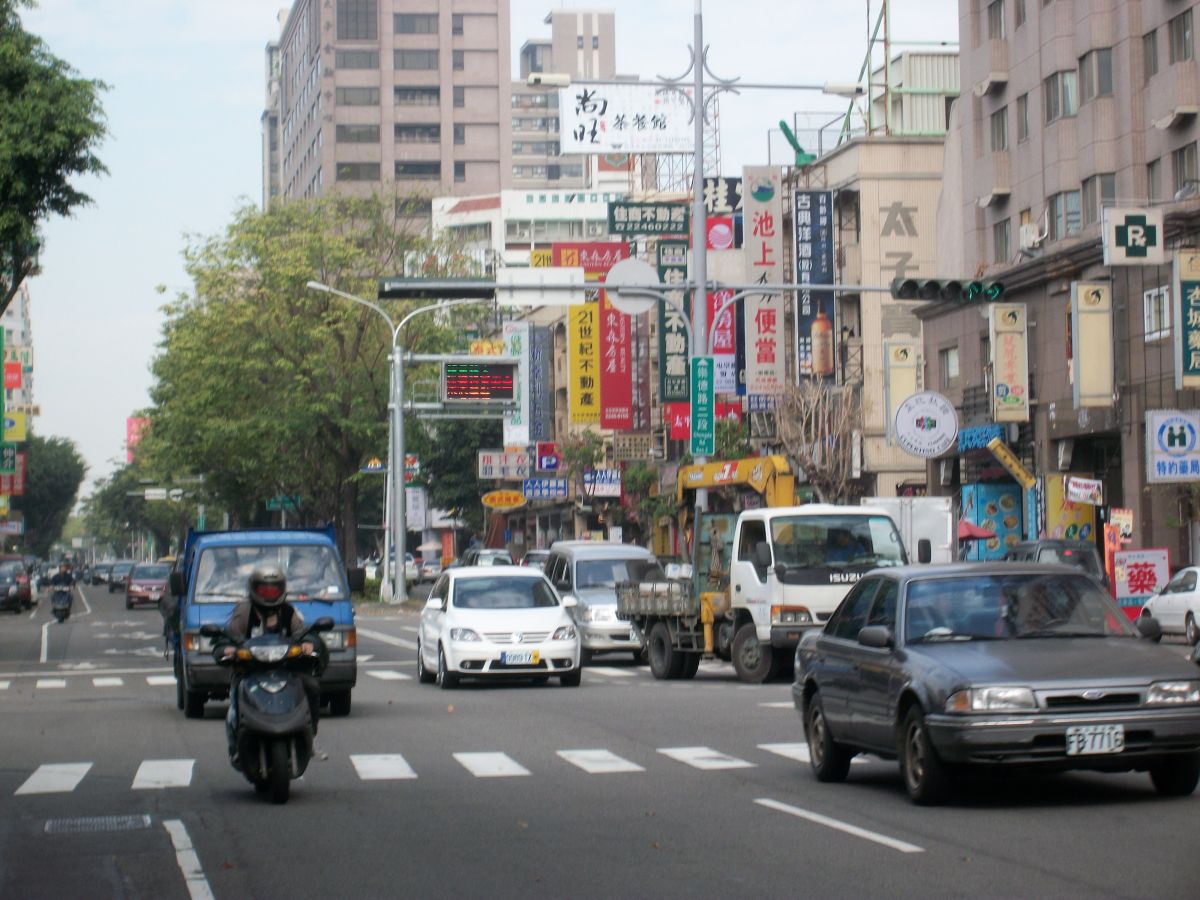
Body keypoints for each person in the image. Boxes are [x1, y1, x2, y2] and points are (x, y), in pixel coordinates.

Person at [218, 564, 321, 764]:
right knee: (237, 692)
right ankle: (237, 743)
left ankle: (311, 736)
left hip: (285, 671)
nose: (269, 594)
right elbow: (226, 638)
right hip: (249, 672)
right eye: (264, 590)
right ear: (253, 589)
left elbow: (304, 634)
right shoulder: (243, 612)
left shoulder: (289, 612)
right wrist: (227, 649)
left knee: (312, 686)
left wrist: (309, 644)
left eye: (274, 589)